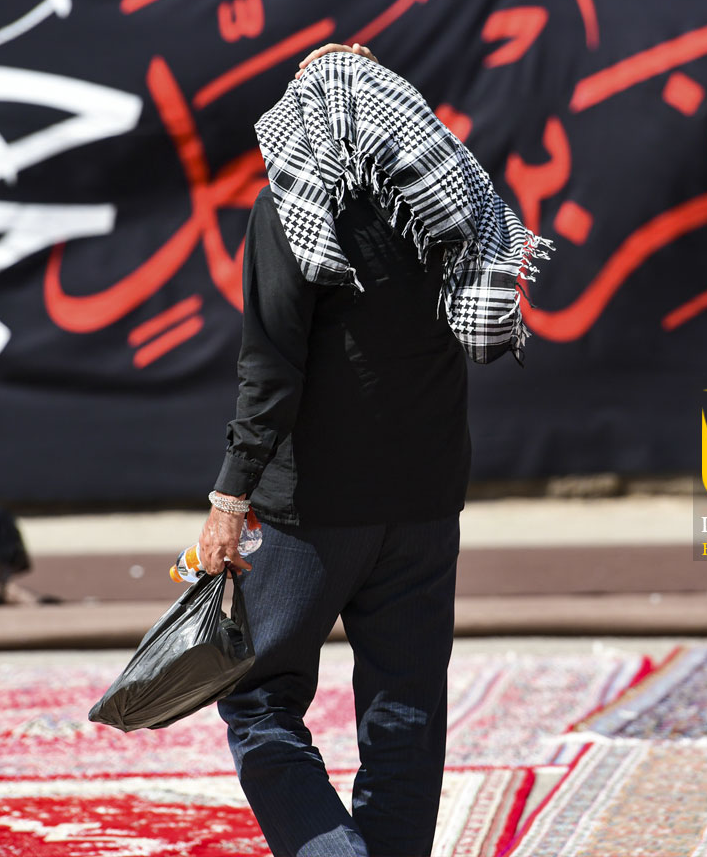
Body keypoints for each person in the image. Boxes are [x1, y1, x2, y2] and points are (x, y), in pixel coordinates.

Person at [198, 43, 550, 857]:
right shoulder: (452, 205)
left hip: (314, 510)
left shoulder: (291, 209)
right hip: (426, 501)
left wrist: (228, 499)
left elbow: (269, 372)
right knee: (405, 716)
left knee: (257, 701)